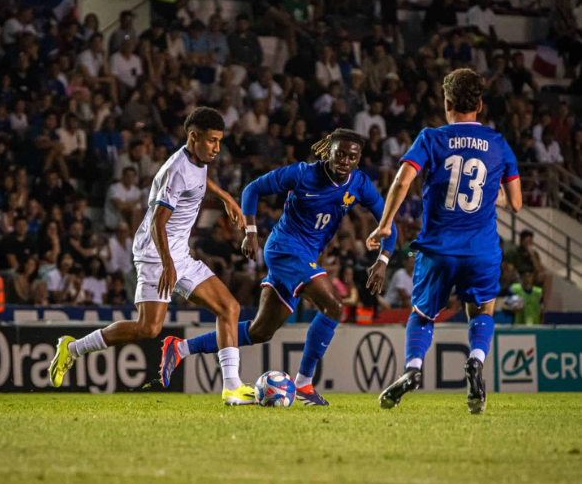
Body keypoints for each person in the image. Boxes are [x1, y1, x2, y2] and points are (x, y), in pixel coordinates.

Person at [161, 129, 398, 406]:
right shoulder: (302, 174)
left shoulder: (360, 184)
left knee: (260, 331)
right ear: (329, 152)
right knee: (333, 306)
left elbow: (388, 223)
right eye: (341, 154)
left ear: (359, 160)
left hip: (305, 256)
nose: (345, 160)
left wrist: (383, 260)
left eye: (352, 157)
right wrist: (250, 232)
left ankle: (179, 348)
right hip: (284, 248)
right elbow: (253, 189)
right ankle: (304, 383)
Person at [49, 108, 255, 406]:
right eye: (212, 141)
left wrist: (225, 196)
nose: (217, 148)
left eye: (219, 141)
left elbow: (200, 181)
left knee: (229, 308)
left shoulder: (198, 159)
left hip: (178, 252)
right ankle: (73, 349)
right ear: (193, 136)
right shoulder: (176, 170)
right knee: (149, 328)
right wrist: (168, 265)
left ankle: (232, 387)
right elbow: (159, 222)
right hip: (155, 253)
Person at [368, 68, 522, 414]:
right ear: (480, 105)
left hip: (438, 248)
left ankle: (413, 369)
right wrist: (490, 196)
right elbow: (515, 202)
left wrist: (384, 224)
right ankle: (476, 361)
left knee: (422, 315)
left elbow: (402, 181)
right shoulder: (499, 144)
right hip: (481, 250)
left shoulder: (431, 138)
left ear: (447, 102)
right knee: (481, 309)